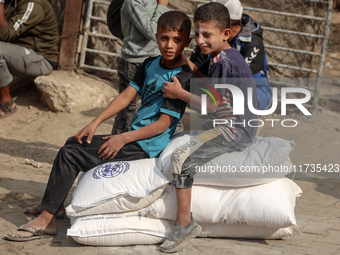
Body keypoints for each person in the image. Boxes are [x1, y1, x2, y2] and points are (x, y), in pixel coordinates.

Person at [4, 10, 193, 242]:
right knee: (74, 141)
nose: (169, 45)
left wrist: (123, 138)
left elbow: (162, 125)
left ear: (187, 42)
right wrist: (94, 123)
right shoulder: (151, 63)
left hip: (145, 146)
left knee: (69, 154)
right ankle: (53, 206)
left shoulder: (181, 77)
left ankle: (47, 220)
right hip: (133, 137)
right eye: (164, 38)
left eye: (177, 40)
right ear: (156, 36)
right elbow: (126, 97)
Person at [160, 2, 258, 253]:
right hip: (224, 125)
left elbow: (212, 106)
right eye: (197, 34)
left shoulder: (227, 60)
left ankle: (184, 223)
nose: (200, 41)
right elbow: (198, 76)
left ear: (226, 34)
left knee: (182, 159)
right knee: (178, 141)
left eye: (207, 35)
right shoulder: (217, 57)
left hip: (234, 132)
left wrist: (179, 93)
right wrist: (180, 59)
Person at [190, 0, 272, 110]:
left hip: (253, 89)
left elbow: (236, 77)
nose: (200, 40)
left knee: (232, 98)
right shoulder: (207, 39)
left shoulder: (252, 41)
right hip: (217, 83)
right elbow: (196, 68)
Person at [111, 0, 169, 134]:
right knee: (126, 113)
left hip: (154, 61)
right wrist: (162, 6)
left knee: (155, 107)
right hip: (134, 63)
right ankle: (116, 149)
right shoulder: (133, 2)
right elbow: (152, 31)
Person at [0, 0, 59, 118]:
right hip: (20, 52)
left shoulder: (33, 4)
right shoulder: (14, 1)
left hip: (41, 59)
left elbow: (5, 34)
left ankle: (6, 103)